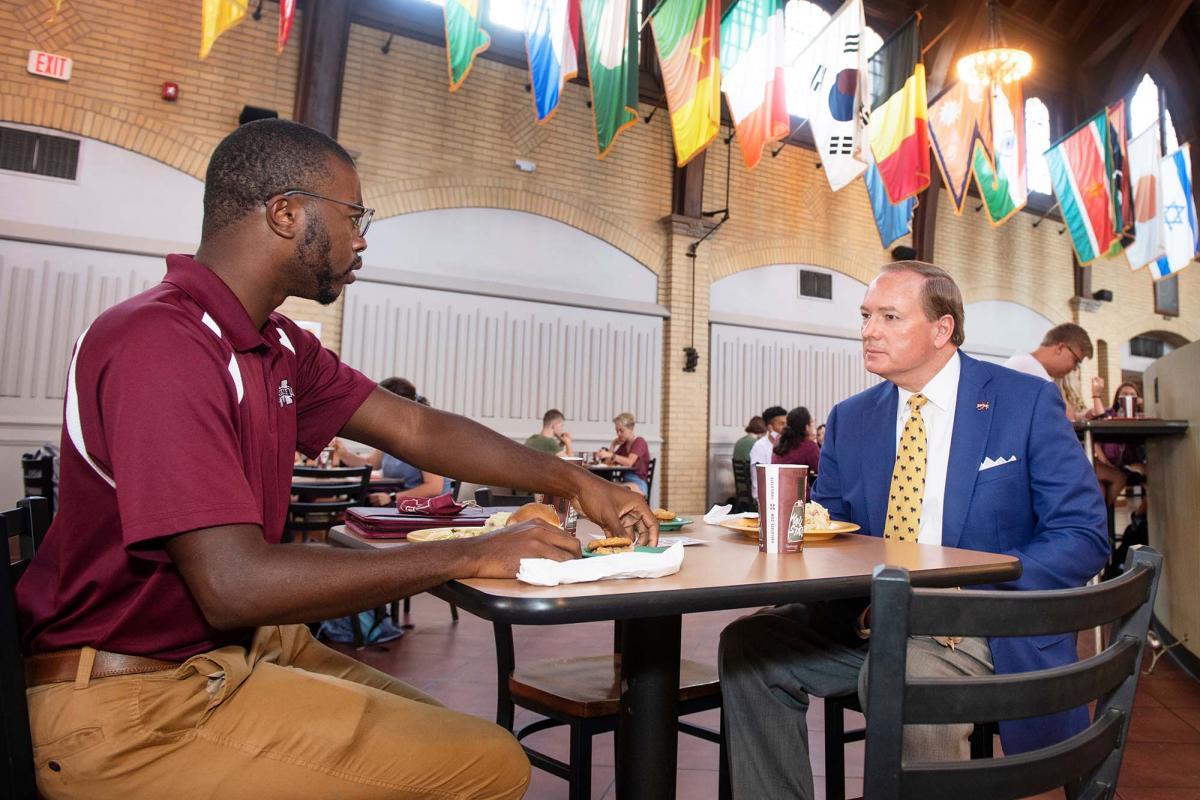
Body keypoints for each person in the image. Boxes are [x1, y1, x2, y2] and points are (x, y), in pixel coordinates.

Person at [15, 119, 658, 800]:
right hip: (132, 706)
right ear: (286, 213)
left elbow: (411, 424)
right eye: (353, 215)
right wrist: (476, 551)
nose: (361, 238)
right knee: (488, 767)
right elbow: (231, 582)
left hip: (229, 650)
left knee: (455, 747)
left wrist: (574, 479)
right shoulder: (160, 344)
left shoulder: (276, 343)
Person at [719, 261, 1108, 799]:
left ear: (942, 329)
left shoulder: (1023, 401)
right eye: (865, 316)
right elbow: (832, 529)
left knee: (907, 670)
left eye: (889, 316)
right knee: (750, 645)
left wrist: (965, 592)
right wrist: (793, 533)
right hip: (869, 616)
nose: (868, 330)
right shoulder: (852, 418)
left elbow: (1083, 534)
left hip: (982, 621)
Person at [335, 378, 452, 504]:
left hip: (424, 510)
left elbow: (434, 489)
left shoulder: (425, 438)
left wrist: (392, 497)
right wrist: (343, 453)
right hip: (401, 505)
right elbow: (371, 463)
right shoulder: (390, 434)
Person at [1003, 323, 1106, 420]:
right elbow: (1066, 417)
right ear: (1060, 348)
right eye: (1076, 361)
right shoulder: (1028, 367)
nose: (1075, 368)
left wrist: (1082, 416)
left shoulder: (1024, 362)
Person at [597, 412, 651, 495]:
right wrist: (613, 445)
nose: (618, 434)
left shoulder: (639, 442)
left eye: (621, 430)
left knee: (608, 489)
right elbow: (607, 463)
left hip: (638, 485)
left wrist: (611, 455)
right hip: (625, 483)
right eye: (617, 431)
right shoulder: (623, 446)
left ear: (630, 428)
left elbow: (629, 462)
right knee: (603, 487)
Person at [748, 405, 788, 496]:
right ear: (770, 427)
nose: (785, 427)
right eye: (782, 424)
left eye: (786, 424)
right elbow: (763, 478)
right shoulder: (760, 447)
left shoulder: (786, 445)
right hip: (764, 497)